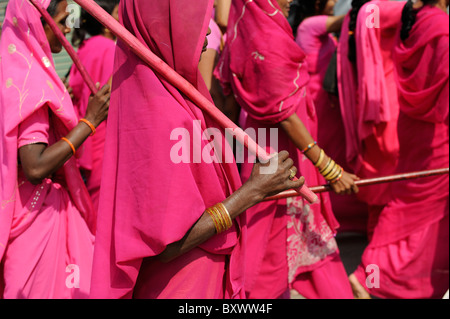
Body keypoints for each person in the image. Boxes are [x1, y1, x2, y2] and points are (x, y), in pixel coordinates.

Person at [89, 0, 305, 299]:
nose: (207, 27)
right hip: (182, 284)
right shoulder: (159, 112)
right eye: (194, 16)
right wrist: (253, 191)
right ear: (163, 25)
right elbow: (166, 245)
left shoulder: (174, 94)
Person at [217, 0, 359, 299]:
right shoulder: (264, 37)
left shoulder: (250, 29)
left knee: (308, 239)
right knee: (270, 249)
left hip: (271, 145)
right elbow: (282, 110)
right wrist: (328, 166)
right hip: (280, 152)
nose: (292, 0)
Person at [0, 0, 110, 298]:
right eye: (62, 19)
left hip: (18, 213)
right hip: (34, 219)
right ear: (38, 21)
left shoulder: (10, 71)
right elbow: (35, 166)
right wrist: (90, 121)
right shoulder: (31, 81)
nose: (66, 28)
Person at [349, 0, 449, 299]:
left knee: (412, 200)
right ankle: (370, 274)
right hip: (437, 130)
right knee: (422, 205)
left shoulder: (415, 21)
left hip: (413, 123)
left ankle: (380, 278)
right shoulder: (441, 26)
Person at [292, 0, 368, 233]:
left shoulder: (326, 35)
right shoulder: (309, 26)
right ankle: (336, 215)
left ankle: (340, 216)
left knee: (337, 156)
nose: (335, 3)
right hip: (319, 106)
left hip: (331, 106)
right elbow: (348, 20)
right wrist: (367, 7)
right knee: (328, 156)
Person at [68, 0, 119, 213]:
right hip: (105, 140)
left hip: (86, 139)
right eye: (118, 12)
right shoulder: (111, 49)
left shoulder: (84, 48)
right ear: (106, 23)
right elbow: (113, 99)